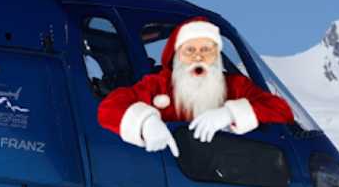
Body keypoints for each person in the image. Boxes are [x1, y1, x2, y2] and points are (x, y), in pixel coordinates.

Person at [98, 17, 293, 156]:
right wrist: (145, 122)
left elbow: (280, 109)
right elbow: (109, 108)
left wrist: (231, 113)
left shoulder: (234, 86)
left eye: (206, 50)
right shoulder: (158, 86)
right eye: (190, 50)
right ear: (176, 56)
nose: (198, 57)